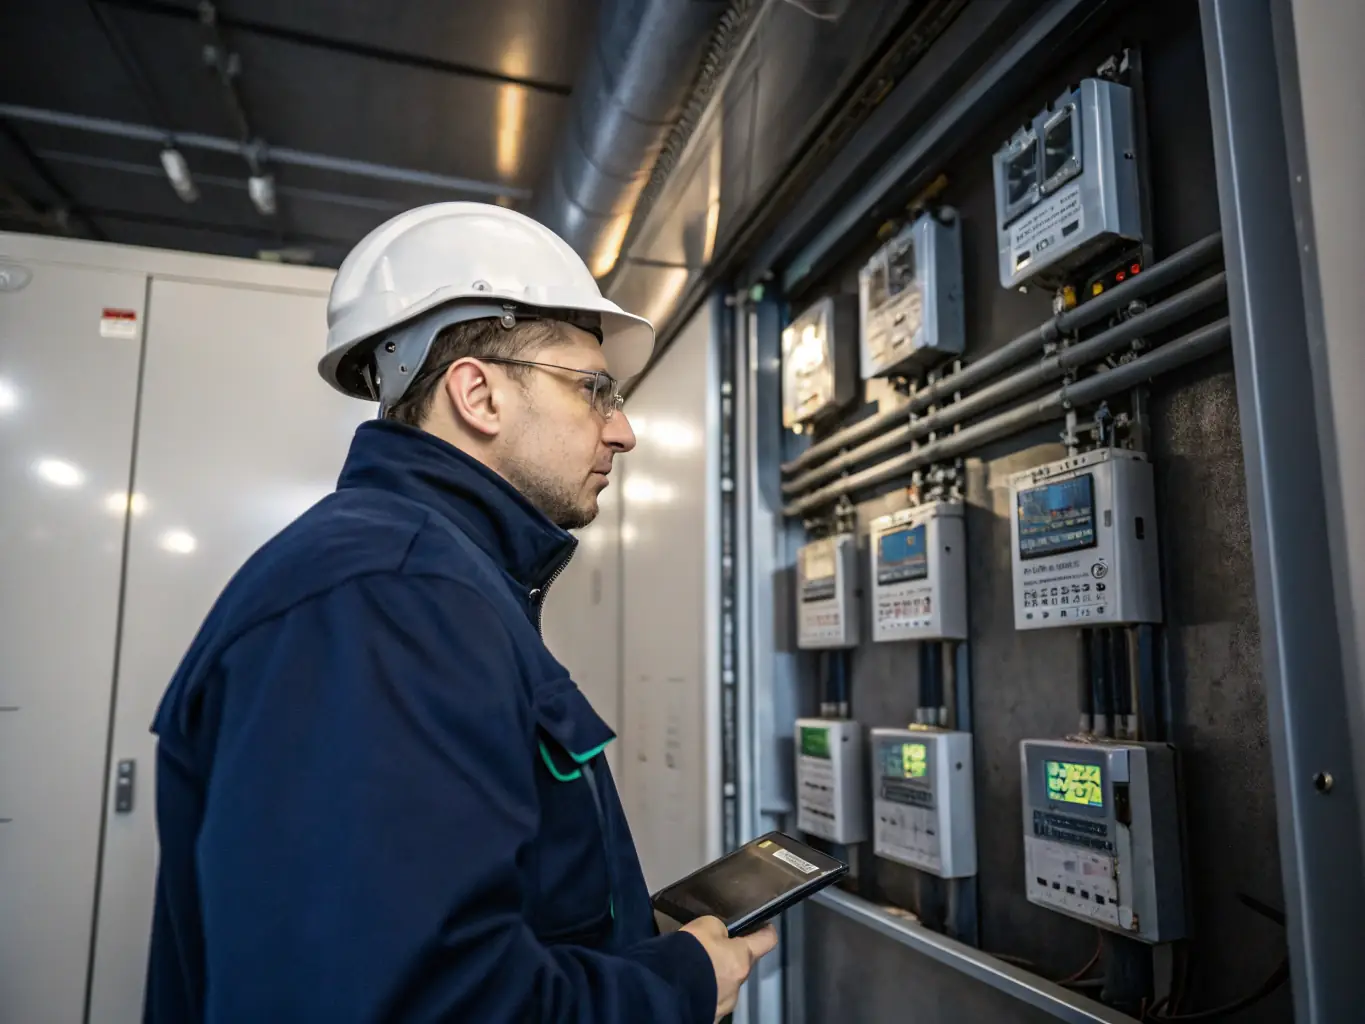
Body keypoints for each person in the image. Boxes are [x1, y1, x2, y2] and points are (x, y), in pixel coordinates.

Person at [144, 202, 777, 1023]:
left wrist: (634, 939)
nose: (621, 430)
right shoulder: (389, 597)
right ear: (477, 394)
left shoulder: (432, 579)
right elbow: (409, 1002)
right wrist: (675, 987)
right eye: (594, 390)